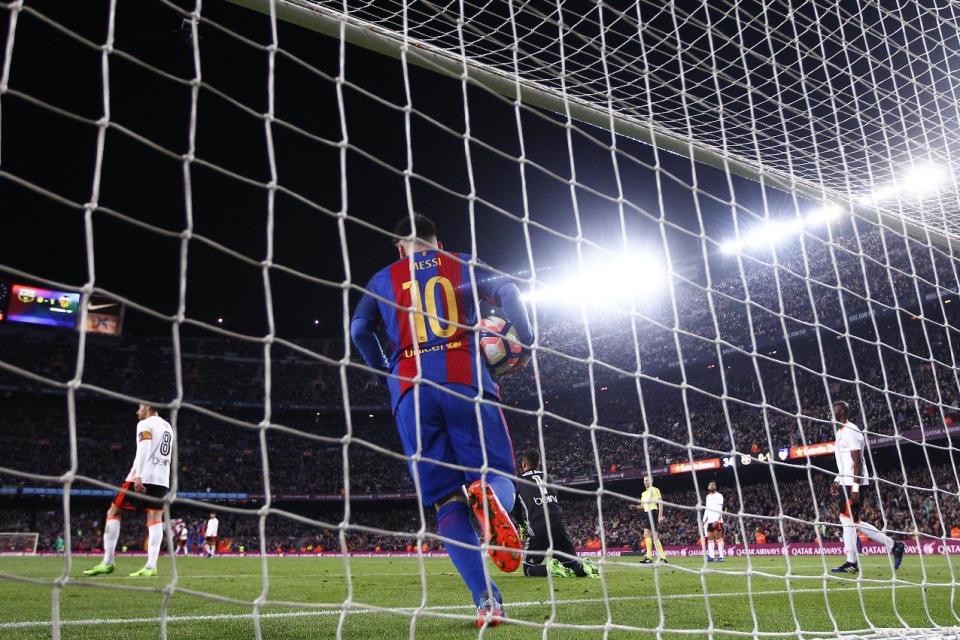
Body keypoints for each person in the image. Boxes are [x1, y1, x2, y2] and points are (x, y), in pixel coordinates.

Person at [350, 214, 533, 627]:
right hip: (465, 379)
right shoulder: (461, 261)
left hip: (411, 392)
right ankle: (492, 501)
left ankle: (487, 601)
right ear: (437, 241)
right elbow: (508, 288)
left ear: (399, 245)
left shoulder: (383, 278)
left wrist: (387, 370)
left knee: (446, 502)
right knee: (495, 472)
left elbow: (359, 329)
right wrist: (528, 335)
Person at [83, 404, 174, 577]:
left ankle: (108, 562)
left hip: (141, 477)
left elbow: (143, 450)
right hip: (162, 479)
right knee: (155, 518)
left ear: (147, 407)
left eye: (140, 407)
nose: (137, 411)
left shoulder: (145, 424)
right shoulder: (168, 426)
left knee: (113, 512)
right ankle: (150, 566)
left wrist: (138, 476)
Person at [829, 401, 905, 573]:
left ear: (843, 412)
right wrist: (837, 480)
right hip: (845, 481)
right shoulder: (841, 432)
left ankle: (854, 562)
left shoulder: (851, 430)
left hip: (853, 482)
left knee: (847, 520)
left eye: (836, 410)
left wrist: (855, 488)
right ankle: (892, 547)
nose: (833, 413)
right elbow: (844, 462)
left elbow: (858, 463)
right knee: (850, 521)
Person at [514, 449, 599, 578]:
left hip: (538, 527)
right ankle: (585, 566)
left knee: (528, 568)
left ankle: (551, 569)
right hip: (559, 524)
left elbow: (515, 510)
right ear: (538, 463)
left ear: (523, 464)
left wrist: (522, 525)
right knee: (571, 564)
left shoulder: (518, 482)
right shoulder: (549, 478)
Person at [629, 476, 667, 564]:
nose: (646, 482)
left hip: (653, 512)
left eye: (647, 480)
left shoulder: (655, 490)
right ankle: (662, 558)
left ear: (651, 481)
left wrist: (660, 516)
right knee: (654, 536)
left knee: (646, 533)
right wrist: (635, 507)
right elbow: (642, 506)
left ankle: (649, 557)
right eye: (644, 480)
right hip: (647, 513)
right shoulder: (643, 494)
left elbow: (660, 503)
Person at [703, 481, 725, 562]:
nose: (712, 486)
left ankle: (721, 557)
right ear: (708, 487)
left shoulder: (719, 496)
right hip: (709, 521)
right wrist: (703, 520)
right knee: (710, 539)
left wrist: (717, 520)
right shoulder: (707, 497)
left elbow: (720, 509)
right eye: (710, 485)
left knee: (718, 538)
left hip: (717, 520)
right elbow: (706, 509)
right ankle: (711, 556)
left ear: (715, 487)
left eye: (713, 485)